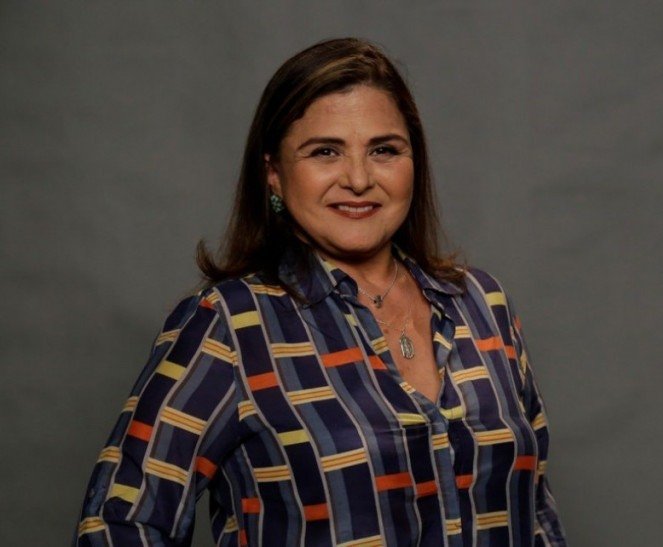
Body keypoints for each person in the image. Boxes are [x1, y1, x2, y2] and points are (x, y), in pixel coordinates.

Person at [74, 37, 567, 546]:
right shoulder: (230, 326)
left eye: (384, 150)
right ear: (274, 174)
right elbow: (119, 522)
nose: (358, 178)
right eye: (325, 152)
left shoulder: (482, 304)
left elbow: (536, 516)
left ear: (413, 163)